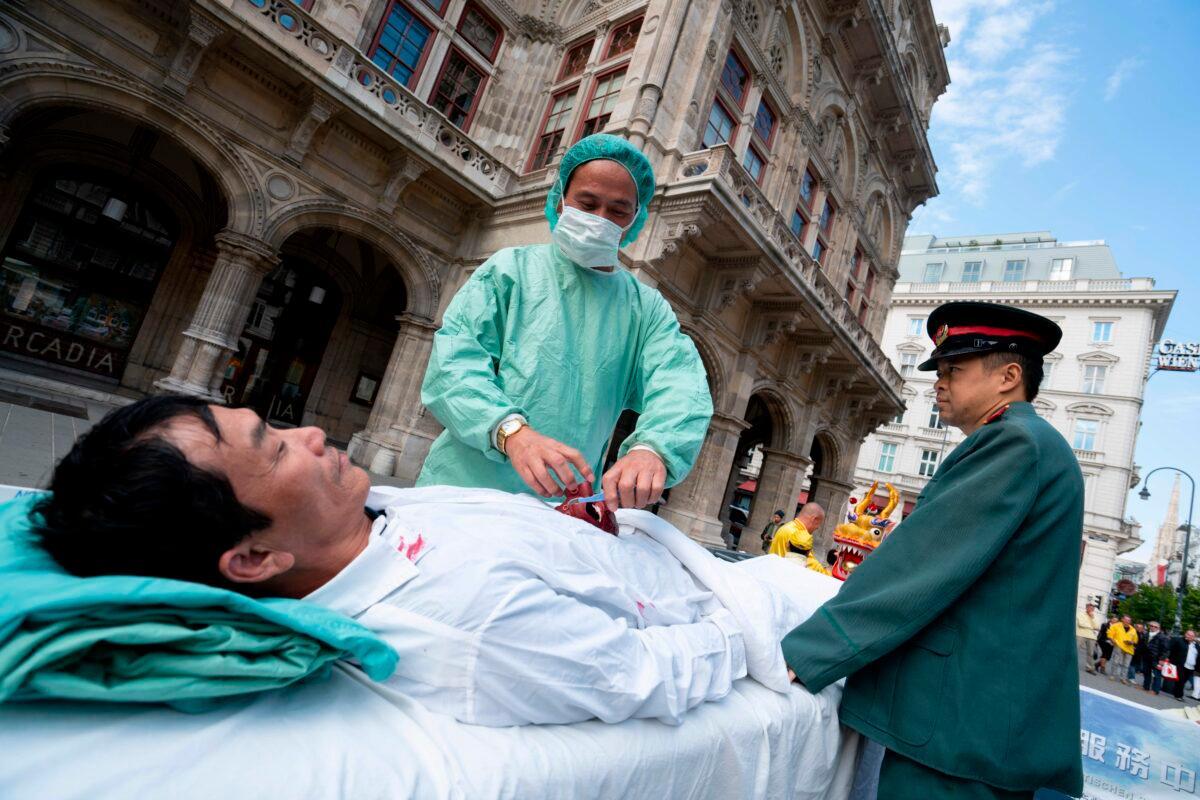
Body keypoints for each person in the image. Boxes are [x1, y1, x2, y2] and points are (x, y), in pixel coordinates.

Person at [33, 396, 826, 728]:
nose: (311, 434)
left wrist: (581, 527)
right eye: (275, 449)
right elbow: (648, 674)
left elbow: (508, 538)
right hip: (767, 609)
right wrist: (754, 622)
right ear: (252, 559)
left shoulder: (369, 518)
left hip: (664, 554)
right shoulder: (468, 624)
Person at [780, 302, 1084, 798]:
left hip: (962, 728)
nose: (938, 383)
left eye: (953, 370)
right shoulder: (1030, 442)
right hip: (978, 724)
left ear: (1009, 376)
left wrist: (811, 651)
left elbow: (920, 564)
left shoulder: (1013, 443)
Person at [418, 134, 712, 512]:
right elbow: (453, 364)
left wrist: (652, 449)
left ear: (636, 220)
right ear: (561, 200)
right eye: (587, 203)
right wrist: (512, 433)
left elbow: (681, 386)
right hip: (460, 492)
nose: (599, 219)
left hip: (560, 511)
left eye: (618, 211)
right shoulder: (510, 271)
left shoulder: (646, 309)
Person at [768, 504, 829, 576]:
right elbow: (810, 565)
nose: (818, 527)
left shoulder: (787, 526)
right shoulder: (798, 534)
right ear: (814, 519)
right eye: (818, 524)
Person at [1167, 629, 1197, 701]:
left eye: (1191, 635)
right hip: (1181, 665)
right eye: (1188, 634)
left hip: (1191, 667)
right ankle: (1179, 695)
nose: (1189, 636)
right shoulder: (1179, 640)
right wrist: (1167, 658)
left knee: (1183, 681)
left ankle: (1175, 692)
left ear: (1194, 637)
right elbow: (1169, 649)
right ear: (1185, 634)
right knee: (1181, 680)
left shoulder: (1196, 645)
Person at [1140, 620, 1169, 694]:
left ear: (1158, 628)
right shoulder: (1147, 634)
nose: (1153, 627)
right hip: (1146, 656)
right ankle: (1145, 687)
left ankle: (1155, 690)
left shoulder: (1162, 637)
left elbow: (1166, 650)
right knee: (1146, 672)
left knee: (1157, 675)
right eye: (1151, 626)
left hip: (1156, 658)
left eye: (1155, 626)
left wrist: (1162, 659)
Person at [1107, 615, 1137, 685]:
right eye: (1126, 620)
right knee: (1116, 661)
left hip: (1129, 648)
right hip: (1119, 645)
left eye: (1129, 620)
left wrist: (1131, 642)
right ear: (1122, 619)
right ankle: (1113, 675)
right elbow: (1110, 634)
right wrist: (1113, 641)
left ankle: (1123, 678)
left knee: (1126, 665)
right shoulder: (1116, 626)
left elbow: (1135, 640)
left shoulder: (1133, 629)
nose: (1127, 621)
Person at [1075, 602, 1100, 673]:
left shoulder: (1095, 617)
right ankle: (1070, 663)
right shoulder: (1080, 614)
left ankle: (1089, 668)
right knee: (1075, 650)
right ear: (1086, 607)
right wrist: (1091, 627)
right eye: (1090, 607)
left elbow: (1097, 627)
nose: (1091, 609)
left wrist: (1092, 618)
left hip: (1091, 636)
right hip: (1081, 634)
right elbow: (1081, 624)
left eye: (1093, 608)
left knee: (1090, 653)